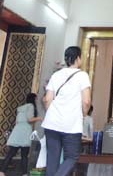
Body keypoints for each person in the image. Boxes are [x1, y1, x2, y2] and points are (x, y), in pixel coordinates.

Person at [42, 46, 92, 176]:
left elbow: (47, 100)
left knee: (52, 158)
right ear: (78, 58)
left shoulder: (56, 75)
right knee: (71, 157)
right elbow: (86, 101)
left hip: (52, 123)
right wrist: (84, 114)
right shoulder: (82, 75)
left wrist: (52, 114)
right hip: (71, 124)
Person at [0, 93, 42, 176]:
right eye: (36, 99)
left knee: (11, 153)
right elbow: (30, 119)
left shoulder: (20, 108)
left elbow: (16, 121)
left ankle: (1, 172)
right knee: (24, 155)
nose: (36, 101)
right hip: (25, 131)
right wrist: (39, 118)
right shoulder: (31, 106)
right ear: (33, 99)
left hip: (17, 130)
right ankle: (24, 173)